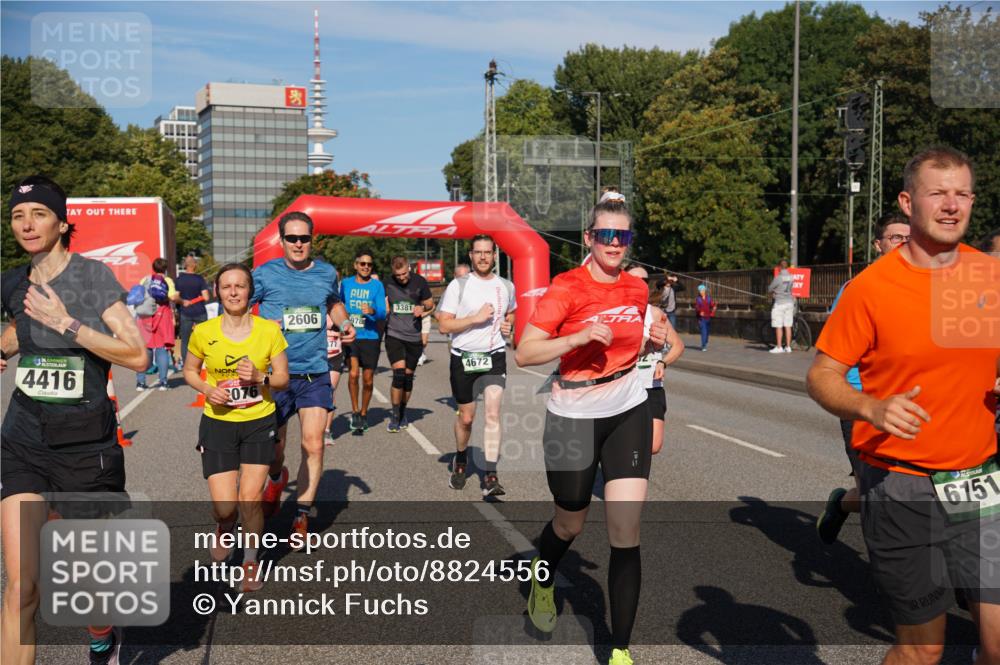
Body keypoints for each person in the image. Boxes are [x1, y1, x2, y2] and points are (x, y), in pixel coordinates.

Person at [806, 147, 1000, 664]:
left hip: (978, 479)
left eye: (962, 194)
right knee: (923, 649)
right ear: (908, 203)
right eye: (938, 193)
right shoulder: (871, 289)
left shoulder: (990, 275)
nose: (952, 205)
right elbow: (821, 375)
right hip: (901, 483)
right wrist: (870, 407)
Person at [1, 175, 148, 665]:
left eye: (39, 214)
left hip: (85, 447)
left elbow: (137, 355)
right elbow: (19, 329)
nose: (27, 224)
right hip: (23, 441)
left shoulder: (92, 277)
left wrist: (66, 323)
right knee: (21, 587)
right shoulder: (12, 281)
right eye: (18, 216)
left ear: (62, 224)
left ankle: (103, 630)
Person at [515, 196, 668, 665]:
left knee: (626, 528)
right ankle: (542, 574)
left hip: (628, 407)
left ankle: (620, 649)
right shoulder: (567, 287)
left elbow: (637, 344)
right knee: (571, 522)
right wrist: (578, 337)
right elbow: (525, 352)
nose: (614, 244)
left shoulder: (636, 289)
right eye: (606, 235)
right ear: (589, 238)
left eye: (622, 236)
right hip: (573, 414)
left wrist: (654, 342)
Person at [250, 212, 356, 544]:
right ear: (281, 241)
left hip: (315, 371)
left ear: (312, 239)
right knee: (274, 451)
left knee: (314, 443)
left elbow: (333, 303)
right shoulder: (264, 274)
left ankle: (300, 516)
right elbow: (237, 309)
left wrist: (344, 322)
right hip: (275, 375)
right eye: (292, 238)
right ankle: (276, 479)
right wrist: (255, 331)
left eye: (304, 238)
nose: (298, 244)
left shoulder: (326, 273)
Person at [183, 263, 289, 590]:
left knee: (250, 499)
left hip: (258, 421)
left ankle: (250, 561)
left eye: (239, 286)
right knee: (225, 507)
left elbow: (283, 379)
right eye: (226, 286)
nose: (233, 292)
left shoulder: (268, 331)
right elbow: (189, 371)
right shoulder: (204, 332)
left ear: (249, 291)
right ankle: (225, 526)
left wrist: (260, 377)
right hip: (218, 423)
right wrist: (206, 389)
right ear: (217, 291)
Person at [816, 212, 910, 544]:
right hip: (862, 401)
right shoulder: (858, 288)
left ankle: (844, 504)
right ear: (878, 244)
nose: (904, 243)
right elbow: (832, 356)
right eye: (896, 238)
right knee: (875, 491)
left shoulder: (927, 288)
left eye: (909, 238)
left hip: (909, 402)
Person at [437, 236, 515, 496]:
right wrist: (474, 318)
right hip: (464, 357)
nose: (483, 257)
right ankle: (461, 458)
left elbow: (511, 312)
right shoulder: (458, 285)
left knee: (492, 414)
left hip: (494, 356)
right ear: (470, 255)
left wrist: (508, 325)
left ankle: (491, 475)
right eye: (478, 252)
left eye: (487, 252)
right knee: (467, 418)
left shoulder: (506, 286)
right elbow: (444, 325)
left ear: (494, 255)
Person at [628, 266, 684, 455]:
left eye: (644, 281)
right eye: (633, 280)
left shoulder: (654, 313)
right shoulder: (616, 313)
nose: (639, 284)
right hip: (624, 387)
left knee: (653, 445)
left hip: (651, 385)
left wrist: (663, 362)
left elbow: (678, 345)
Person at [384, 256, 435, 432]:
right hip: (394, 334)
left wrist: (423, 308)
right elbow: (379, 302)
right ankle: (394, 415)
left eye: (404, 274)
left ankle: (403, 411)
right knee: (398, 374)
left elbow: (431, 304)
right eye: (398, 275)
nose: (401, 278)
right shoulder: (387, 283)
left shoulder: (420, 282)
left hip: (414, 337)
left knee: (407, 377)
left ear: (409, 268)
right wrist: (383, 308)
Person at [340, 249, 387, 432]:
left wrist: (373, 311)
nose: (366, 267)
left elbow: (383, 312)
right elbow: (338, 306)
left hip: (371, 337)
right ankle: (355, 411)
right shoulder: (346, 284)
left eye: (369, 264)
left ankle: (364, 412)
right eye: (362, 263)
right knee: (353, 374)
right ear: (356, 265)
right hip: (352, 335)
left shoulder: (377, 286)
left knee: (367, 379)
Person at [135, 257, 179, 391]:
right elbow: (172, 297)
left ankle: (140, 382)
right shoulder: (167, 280)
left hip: (145, 316)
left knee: (145, 349)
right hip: (162, 315)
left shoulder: (145, 279)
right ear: (165, 269)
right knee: (162, 349)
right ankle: (163, 382)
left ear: (153, 268)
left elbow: (138, 295)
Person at [175, 255, 212, 368]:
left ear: (185, 265)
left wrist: (184, 301)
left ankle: (187, 366)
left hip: (185, 313)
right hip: (200, 312)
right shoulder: (199, 279)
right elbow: (206, 297)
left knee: (185, 341)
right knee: (204, 339)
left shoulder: (179, 279)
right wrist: (196, 300)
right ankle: (205, 364)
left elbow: (175, 297)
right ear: (195, 265)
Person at [322, 315, 344, 446]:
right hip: (317, 356)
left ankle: (326, 430)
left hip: (335, 354)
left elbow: (346, 324)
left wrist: (343, 328)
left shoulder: (338, 308)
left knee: (329, 390)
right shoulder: (314, 306)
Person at [767, 259, 796, 353]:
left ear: (779, 267)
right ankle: (788, 347)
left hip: (780, 303)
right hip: (789, 303)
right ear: (787, 267)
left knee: (778, 325)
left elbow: (769, 288)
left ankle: (779, 347)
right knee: (788, 325)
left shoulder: (778, 278)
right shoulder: (792, 277)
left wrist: (774, 292)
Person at [694, 284, 716, 352]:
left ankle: (705, 342)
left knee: (707, 332)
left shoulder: (709, 298)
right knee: (704, 332)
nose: (702, 292)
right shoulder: (698, 299)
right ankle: (703, 346)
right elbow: (697, 307)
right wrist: (699, 311)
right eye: (700, 291)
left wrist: (714, 307)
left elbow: (712, 305)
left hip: (708, 317)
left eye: (703, 290)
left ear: (705, 291)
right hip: (701, 318)